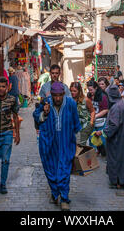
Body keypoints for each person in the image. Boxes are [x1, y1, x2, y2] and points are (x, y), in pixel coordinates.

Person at [33, 82, 81, 211]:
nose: (58, 98)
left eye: (60, 95)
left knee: (64, 170)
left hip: (66, 141)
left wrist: (79, 143)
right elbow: (36, 117)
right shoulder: (46, 103)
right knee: (51, 170)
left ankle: (64, 198)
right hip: (49, 143)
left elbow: (76, 123)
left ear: (63, 94)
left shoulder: (71, 103)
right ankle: (55, 193)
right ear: (52, 95)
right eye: (55, 96)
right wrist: (45, 112)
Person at [104, 79, 124, 189]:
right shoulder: (121, 104)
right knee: (122, 159)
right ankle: (122, 180)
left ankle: (118, 180)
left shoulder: (116, 107)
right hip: (122, 138)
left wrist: (104, 132)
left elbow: (114, 125)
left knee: (117, 159)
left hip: (117, 140)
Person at [87, 80, 109, 156]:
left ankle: (104, 152)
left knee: (102, 138)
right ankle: (94, 152)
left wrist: (95, 116)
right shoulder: (89, 96)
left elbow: (106, 110)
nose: (90, 92)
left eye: (91, 90)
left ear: (96, 88)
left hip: (101, 121)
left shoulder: (103, 96)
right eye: (89, 90)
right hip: (92, 121)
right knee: (91, 137)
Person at [70, 81, 95, 146]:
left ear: (79, 91)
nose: (72, 93)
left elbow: (92, 111)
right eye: (71, 91)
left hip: (86, 125)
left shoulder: (85, 100)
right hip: (76, 126)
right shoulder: (70, 100)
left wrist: (91, 122)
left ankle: (82, 155)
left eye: (75, 91)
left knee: (81, 144)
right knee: (75, 144)